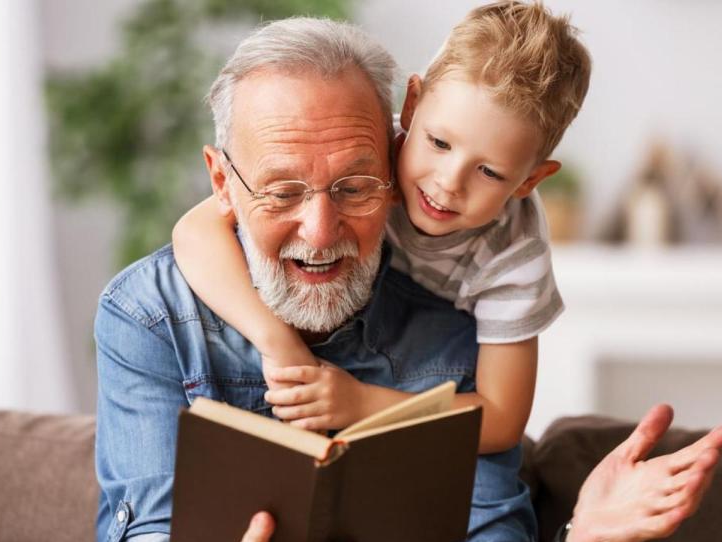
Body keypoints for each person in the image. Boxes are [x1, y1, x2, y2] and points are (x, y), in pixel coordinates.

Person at [93, 15, 722, 542]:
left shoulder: (473, 312)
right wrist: (276, 341)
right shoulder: (149, 315)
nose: (321, 233)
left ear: (528, 180)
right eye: (284, 191)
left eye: (355, 188)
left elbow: (489, 537)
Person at [172, 1, 589, 454]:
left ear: (530, 180)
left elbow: (502, 420)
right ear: (411, 106)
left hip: (415, 370)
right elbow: (194, 233)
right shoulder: (360, 159)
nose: (447, 183)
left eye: (489, 172)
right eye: (439, 142)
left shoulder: (514, 255)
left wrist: (364, 405)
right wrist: (280, 345)